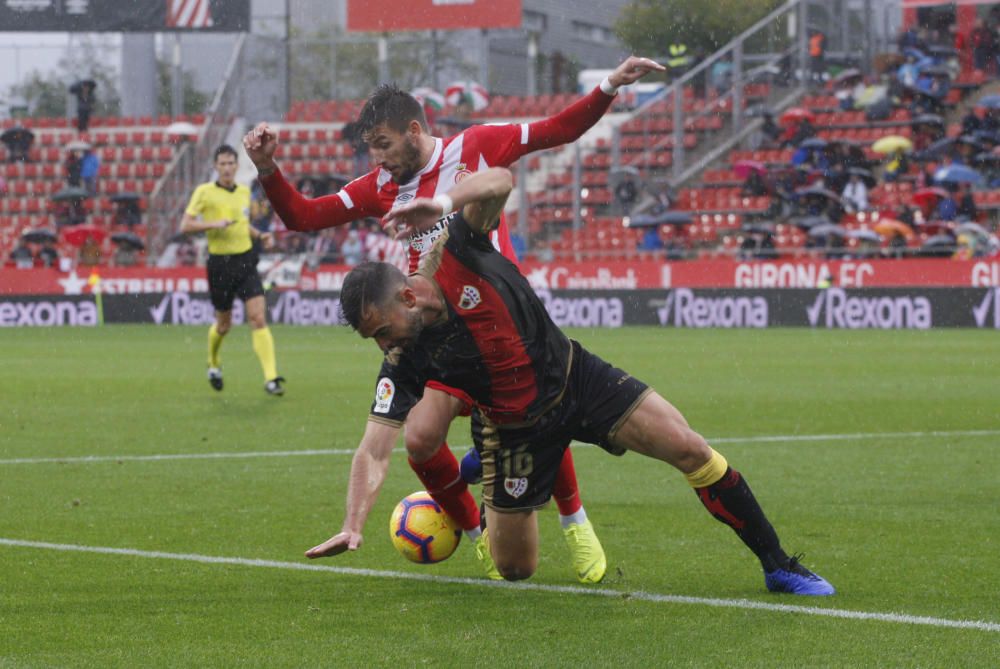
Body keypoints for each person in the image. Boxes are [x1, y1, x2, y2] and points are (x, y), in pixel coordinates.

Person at [307, 167, 835, 597]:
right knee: (515, 569)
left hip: (577, 378)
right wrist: (354, 523)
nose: (383, 346)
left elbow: (500, 178)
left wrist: (443, 200)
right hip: (515, 431)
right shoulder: (404, 358)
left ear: (405, 298)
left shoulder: (457, 249)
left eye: (381, 332)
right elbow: (375, 450)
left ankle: (779, 565)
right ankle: (490, 484)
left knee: (691, 449)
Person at [246, 56, 666, 583]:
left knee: (536, 410)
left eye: (382, 144)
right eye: (369, 147)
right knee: (420, 439)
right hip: (437, 328)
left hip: (503, 320)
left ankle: (574, 520)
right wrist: (267, 168)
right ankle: (475, 535)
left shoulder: (477, 145)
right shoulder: (380, 186)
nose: (376, 157)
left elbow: (560, 129)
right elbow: (303, 216)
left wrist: (608, 85)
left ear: (414, 130)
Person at [179, 144, 285, 396]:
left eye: (231, 163)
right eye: (222, 163)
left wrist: (260, 235)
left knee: (258, 318)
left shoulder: (244, 192)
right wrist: (214, 224)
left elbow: (242, 225)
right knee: (224, 325)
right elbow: (185, 225)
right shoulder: (204, 192)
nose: (227, 168)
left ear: (237, 166)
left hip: (246, 261)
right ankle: (213, 363)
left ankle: (271, 378)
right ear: (215, 166)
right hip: (220, 265)